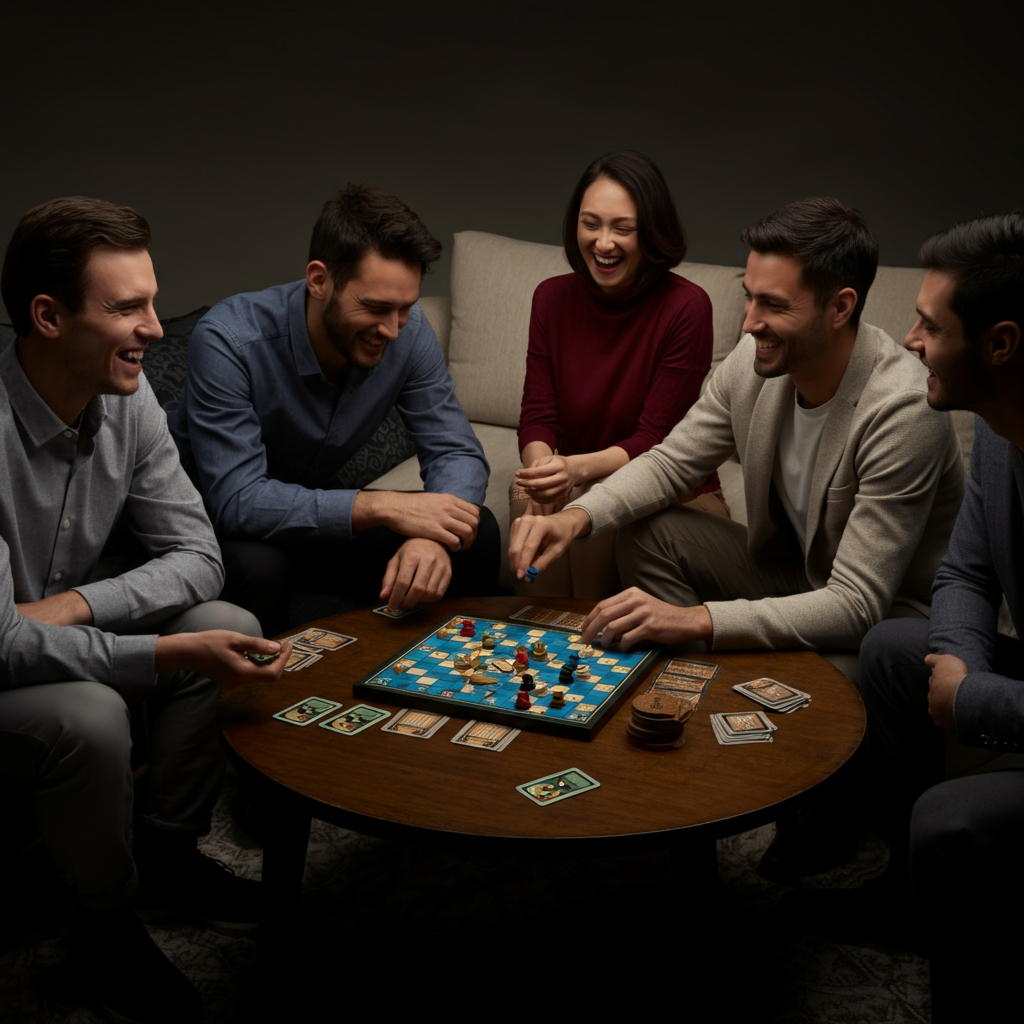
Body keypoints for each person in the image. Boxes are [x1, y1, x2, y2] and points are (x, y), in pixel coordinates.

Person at [0, 197, 292, 1024]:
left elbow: (199, 557)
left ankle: (167, 850)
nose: (158, 329)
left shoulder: (129, 401)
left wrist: (71, 605)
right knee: (91, 715)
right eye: (128, 307)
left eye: (152, 301)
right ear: (48, 316)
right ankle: (105, 925)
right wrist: (154, 657)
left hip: (39, 630)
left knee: (221, 619)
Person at [509, 197, 965, 678]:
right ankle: (691, 685)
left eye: (773, 305)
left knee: (826, 688)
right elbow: (671, 464)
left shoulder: (903, 408)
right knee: (649, 533)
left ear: (840, 307)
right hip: (795, 576)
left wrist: (693, 620)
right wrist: (576, 518)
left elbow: (856, 603)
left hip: (885, 615)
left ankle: (718, 677)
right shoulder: (754, 359)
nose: (748, 323)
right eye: (749, 296)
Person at [784, 212, 1024, 1022]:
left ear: (1001, 344)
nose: (910, 339)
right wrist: (959, 663)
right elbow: (964, 568)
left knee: (946, 818)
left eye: (930, 324)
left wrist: (977, 699)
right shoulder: (997, 432)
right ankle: (905, 899)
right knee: (893, 648)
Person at [170, 184, 497, 637]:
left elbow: (456, 452)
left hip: (313, 526)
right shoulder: (229, 340)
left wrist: (429, 536)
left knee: (475, 533)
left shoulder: (409, 331)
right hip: (219, 530)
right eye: (376, 308)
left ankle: (428, 684)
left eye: (405, 307)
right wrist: (380, 506)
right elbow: (238, 501)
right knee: (262, 567)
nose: (393, 329)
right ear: (319, 280)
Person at [511, 151, 726, 599]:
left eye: (622, 228)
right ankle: (539, 651)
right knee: (530, 501)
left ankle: (590, 655)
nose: (603, 243)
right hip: (579, 473)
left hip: (669, 489)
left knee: (595, 508)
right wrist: (542, 469)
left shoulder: (687, 307)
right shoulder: (550, 298)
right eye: (591, 224)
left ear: (651, 232)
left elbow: (657, 439)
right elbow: (538, 412)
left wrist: (573, 469)